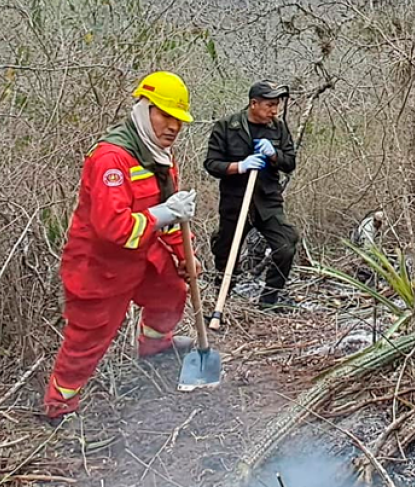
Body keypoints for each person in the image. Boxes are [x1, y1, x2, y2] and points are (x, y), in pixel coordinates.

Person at [43, 71, 201, 423]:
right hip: (100, 264)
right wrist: (163, 213)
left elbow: (169, 208)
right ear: (144, 109)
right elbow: (113, 228)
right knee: (89, 337)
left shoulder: (160, 155)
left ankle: (156, 347)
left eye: (179, 119)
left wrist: (183, 252)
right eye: (165, 115)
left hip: (142, 252)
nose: (173, 126)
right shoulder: (110, 160)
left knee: (171, 290)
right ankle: (60, 406)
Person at [203, 80, 299, 310]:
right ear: (253, 104)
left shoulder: (278, 128)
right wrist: (240, 166)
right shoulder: (227, 126)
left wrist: (274, 154)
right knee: (227, 254)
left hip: (267, 200)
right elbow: (211, 164)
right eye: (269, 105)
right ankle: (221, 302)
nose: (274, 111)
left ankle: (269, 301)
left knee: (286, 245)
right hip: (235, 201)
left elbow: (290, 163)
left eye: (276, 105)